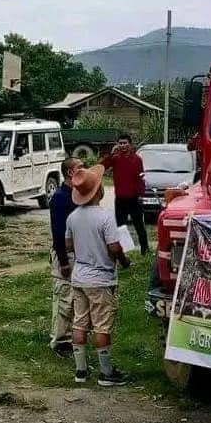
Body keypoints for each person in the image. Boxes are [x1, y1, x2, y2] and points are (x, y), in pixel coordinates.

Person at [66, 164, 131, 386]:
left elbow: (68, 246)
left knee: (80, 323)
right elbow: (114, 247)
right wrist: (123, 261)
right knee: (102, 326)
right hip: (101, 278)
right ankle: (106, 373)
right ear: (99, 190)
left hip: (79, 277)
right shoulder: (105, 217)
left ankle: (81, 371)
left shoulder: (73, 217)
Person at [48, 157, 81, 358]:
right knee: (64, 298)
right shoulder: (61, 198)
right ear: (70, 172)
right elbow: (58, 231)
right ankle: (60, 340)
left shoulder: (77, 195)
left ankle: (70, 336)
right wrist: (63, 260)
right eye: (80, 168)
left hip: (77, 253)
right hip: (65, 254)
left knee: (74, 298)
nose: (84, 170)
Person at [100, 133, 148, 255]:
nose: (123, 145)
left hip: (134, 198)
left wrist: (141, 195)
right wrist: (111, 153)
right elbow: (102, 166)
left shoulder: (137, 159)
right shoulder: (115, 158)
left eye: (125, 143)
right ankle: (122, 251)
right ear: (118, 145)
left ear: (130, 144)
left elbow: (141, 178)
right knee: (120, 227)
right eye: (120, 143)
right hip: (120, 199)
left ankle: (145, 249)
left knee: (139, 225)